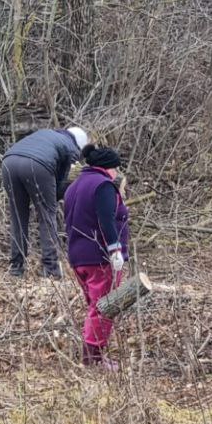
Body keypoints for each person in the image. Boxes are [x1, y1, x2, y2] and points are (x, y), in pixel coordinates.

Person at [62, 144, 130, 368]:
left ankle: (91, 353)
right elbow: (106, 219)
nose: (117, 174)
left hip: (77, 256)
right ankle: (93, 358)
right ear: (108, 168)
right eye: (115, 169)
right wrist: (115, 249)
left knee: (95, 306)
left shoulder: (73, 187)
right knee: (104, 306)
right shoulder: (103, 186)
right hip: (99, 257)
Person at [1, 126, 89, 278]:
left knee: (18, 217)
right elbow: (60, 182)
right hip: (37, 165)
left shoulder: (47, 134)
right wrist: (54, 198)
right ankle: (50, 269)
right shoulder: (71, 148)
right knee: (47, 217)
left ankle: (16, 268)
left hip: (9, 162)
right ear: (79, 144)